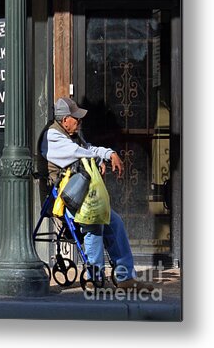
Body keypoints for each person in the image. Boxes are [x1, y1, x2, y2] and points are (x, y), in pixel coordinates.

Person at [41, 97, 154, 291]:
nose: (79, 122)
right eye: (76, 119)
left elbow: (88, 149)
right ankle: (95, 277)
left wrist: (108, 153)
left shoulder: (73, 134)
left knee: (115, 222)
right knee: (93, 222)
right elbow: (78, 153)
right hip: (66, 198)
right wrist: (98, 158)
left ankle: (125, 277)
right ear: (65, 119)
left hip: (82, 194)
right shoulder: (53, 137)